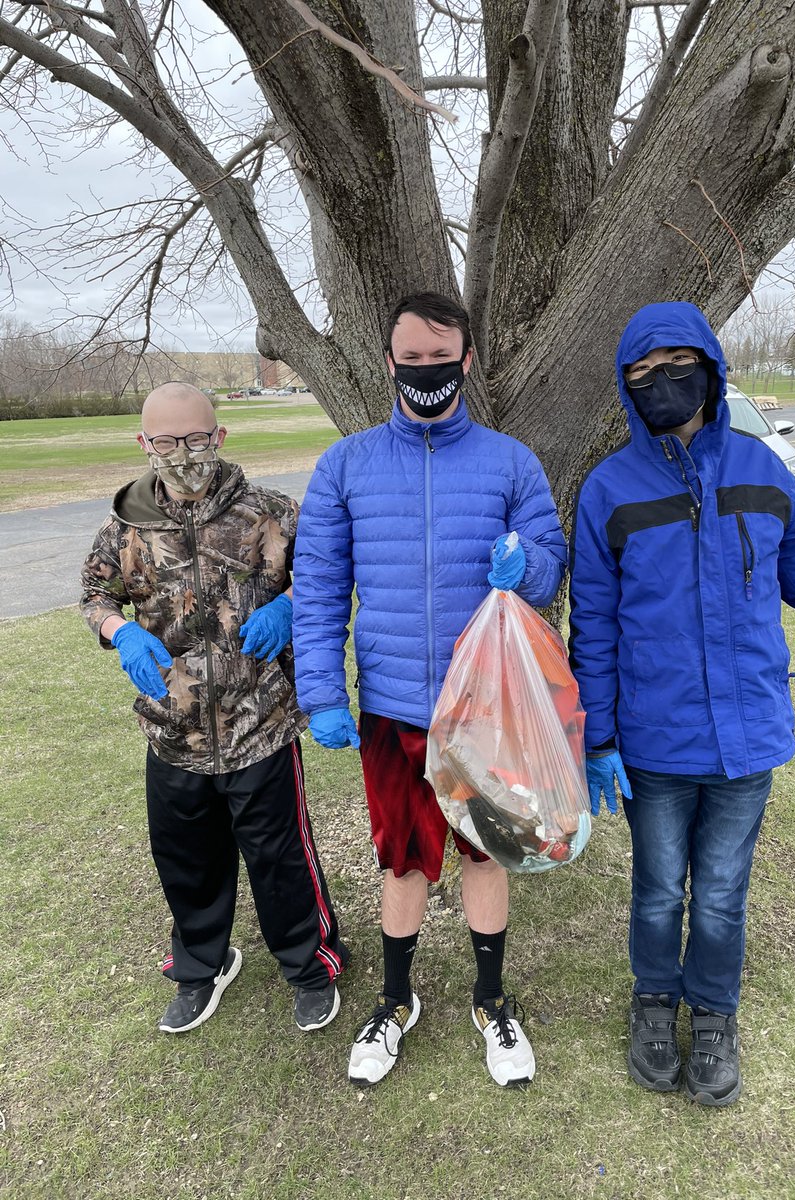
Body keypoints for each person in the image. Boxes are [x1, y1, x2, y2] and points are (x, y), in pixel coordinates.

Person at [569, 302, 795, 1107]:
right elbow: (597, 627)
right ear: (625, 386)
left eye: (676, 364)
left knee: (720, 892)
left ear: (710, 369)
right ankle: (654, 1001)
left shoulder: (763, 470)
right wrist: (600, 738)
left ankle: (713, 1015)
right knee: (657, 890)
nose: (661, 383)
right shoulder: (608, 489)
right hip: (654, 741)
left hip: (748, 736)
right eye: (642, 373)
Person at [292, 292, 566, 1088]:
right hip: (392, 708)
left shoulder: (510, 461)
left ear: (467, 360)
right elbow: (317, 588)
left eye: (440, 359)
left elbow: (549, 567)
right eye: (410, 359)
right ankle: (395, 999)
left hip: (486, 706)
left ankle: (491, 1001)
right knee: (405, 862)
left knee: (486, 854)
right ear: (387, 361)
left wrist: (532, 565)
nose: (426, 372)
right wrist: (322, 692)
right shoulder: (344, 466)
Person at [81, 383, 348, 1036]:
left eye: (196, 438)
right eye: (167, 442)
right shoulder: (126, 526)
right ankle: (202, 964)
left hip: (261, 726)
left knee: (280, 858)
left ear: (220, 437)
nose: (183, 453)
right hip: (174, 732)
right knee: (186, 861)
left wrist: (291, 606)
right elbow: (95, 592)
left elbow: (326, 575)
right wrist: (121, 632)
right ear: (144, 445)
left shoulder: (274, 513)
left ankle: (309, 965)